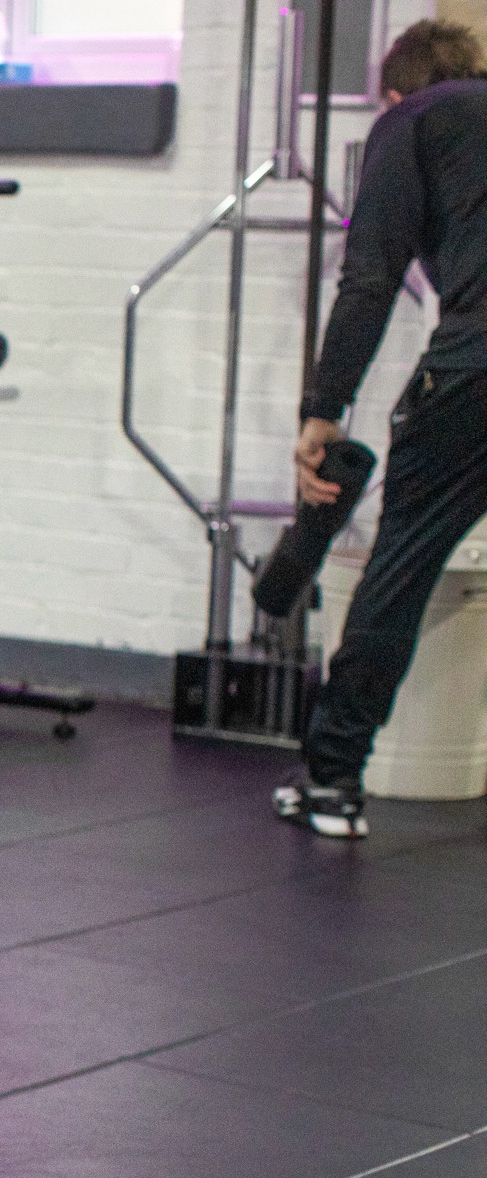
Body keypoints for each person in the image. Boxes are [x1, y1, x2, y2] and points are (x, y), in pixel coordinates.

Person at [277, 20, 487, 839]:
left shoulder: (411, 122)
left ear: (394, 94)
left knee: (399, 565)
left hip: (474, 369)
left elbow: (369, 278)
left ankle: (330, 778)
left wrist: (322, 411)